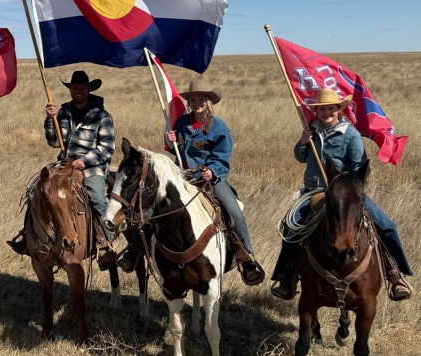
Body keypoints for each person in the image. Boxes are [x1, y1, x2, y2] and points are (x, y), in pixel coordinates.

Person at [271, 88, 413, 301]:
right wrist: (302, 142)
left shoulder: (350, 134)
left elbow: (359, 168)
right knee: (291, 229)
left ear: (339, 110)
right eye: (322, 109)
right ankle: (286, 277)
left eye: (331, 108)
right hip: (314, 191)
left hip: (344, 193)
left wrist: (344, 185)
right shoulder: (311, 129)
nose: (326, 113)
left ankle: (396, 275)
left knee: (387, 226)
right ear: (316, 112)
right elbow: (300, 157)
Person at [129, 78, 265, 285]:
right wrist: (171, 140)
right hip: (182, 175)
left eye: (201, 99)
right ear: (189, 102)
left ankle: (246, 257)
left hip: (209, 178)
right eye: (193, 99)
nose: (197, 102)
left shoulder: (219, 127)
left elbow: (222, 157)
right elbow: (175, 151)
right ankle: (136, 249)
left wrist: (212, 170)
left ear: (208, 101)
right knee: (152, 206)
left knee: (233, 212)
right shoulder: (182, 123)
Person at [7, 70, 117, 268]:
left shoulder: (102, 116)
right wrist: (51, 119)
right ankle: (27, 237)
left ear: (89, 89)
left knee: (98, 199)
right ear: (71, 89)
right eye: (75, 87)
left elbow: (107, 148)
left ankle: (104, 243)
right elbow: (53, 142)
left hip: (92, 167)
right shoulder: (64, 111)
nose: (78, 91)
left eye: (82, 87)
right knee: (35, 191)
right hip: (64, 164)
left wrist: (84, 162)